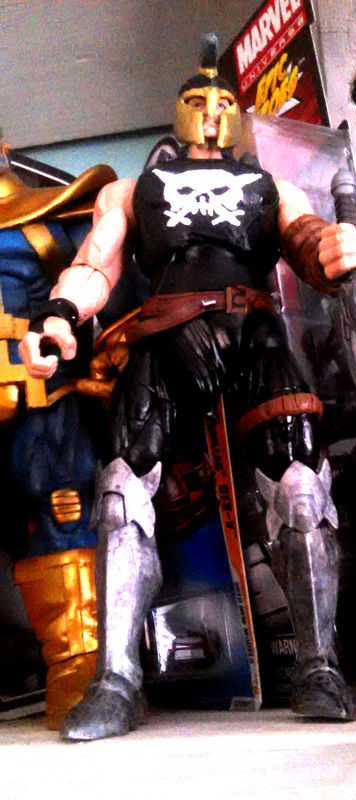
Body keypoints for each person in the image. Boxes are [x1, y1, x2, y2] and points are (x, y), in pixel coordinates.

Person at [19, 34, 356, 741]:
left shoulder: (268, 187)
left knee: (301, 486)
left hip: (255, 333)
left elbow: (304, 239)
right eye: (198, 101)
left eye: (223, 102)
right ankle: (116, 680)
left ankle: (317, 664)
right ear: (179, 110)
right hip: (165, 332)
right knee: (121, 492)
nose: (212, 113)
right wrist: (58, 314)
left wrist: (332, 251)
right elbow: (97, 263)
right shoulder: (133, 189)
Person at [0, 132, 116, 728]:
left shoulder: (45, 224)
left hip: (42, 394)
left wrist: (113, 351)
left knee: (63, 505)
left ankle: (79, 663)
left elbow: (108, 286)